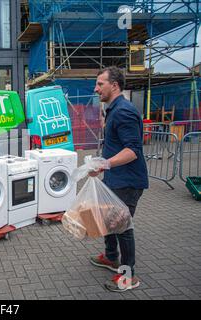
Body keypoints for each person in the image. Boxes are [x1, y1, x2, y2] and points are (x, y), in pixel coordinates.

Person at [90, 66, 148, 292]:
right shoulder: (113, 109)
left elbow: (133, 150)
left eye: (100, 84)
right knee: (109, 219)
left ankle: (128, 276)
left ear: (114, 85)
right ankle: (111, 257)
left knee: (122, 226)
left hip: (128, 181)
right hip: (116, 179)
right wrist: (101, 166)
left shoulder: (123, 111)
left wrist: (106, 164)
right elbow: (116, 146)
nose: (96, 89)